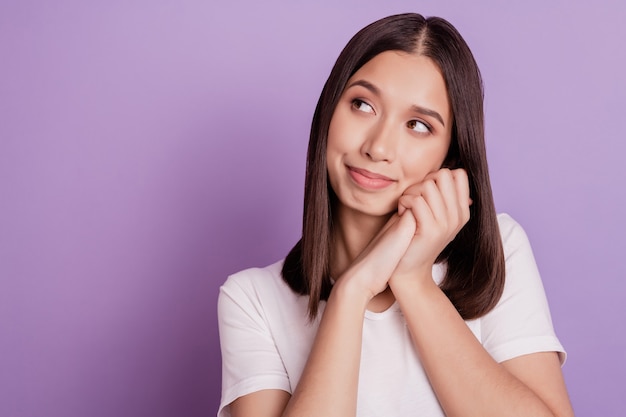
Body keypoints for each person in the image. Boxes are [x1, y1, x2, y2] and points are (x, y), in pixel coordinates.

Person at [217, 13, 574, 417]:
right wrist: (351, 294)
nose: (379, 146)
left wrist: (414, 282)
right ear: (328, 113)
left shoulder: (497, 251)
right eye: (362, 104)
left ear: (451, 156)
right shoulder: (253, 300)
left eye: (418, 125)